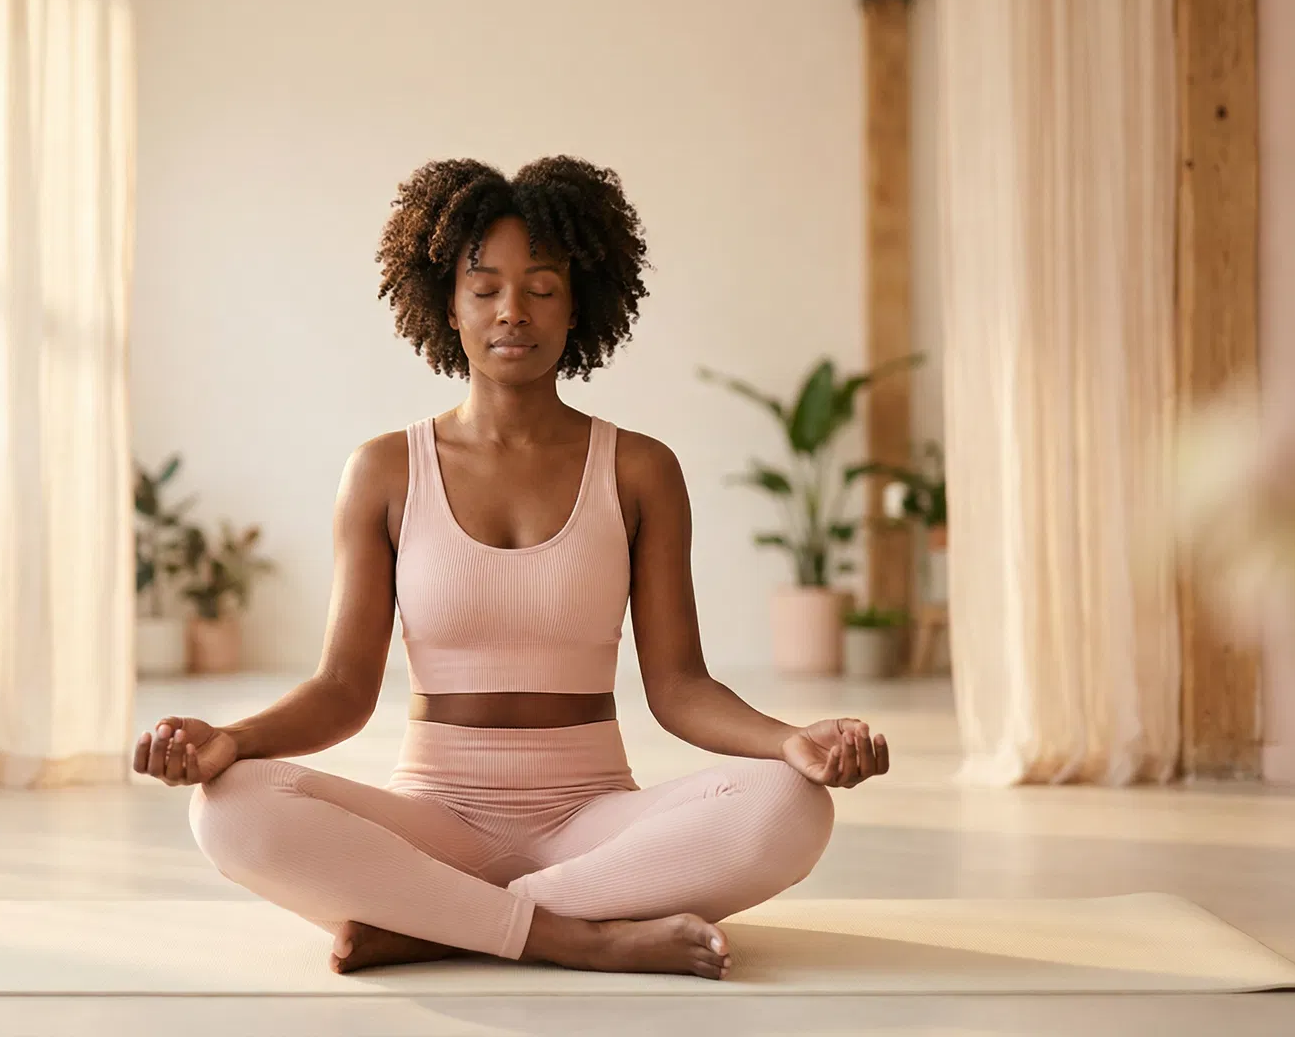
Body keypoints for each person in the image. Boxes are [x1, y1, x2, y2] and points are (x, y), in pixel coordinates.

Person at [134, 156, 891, 979]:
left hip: (592, 822)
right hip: (433, 824)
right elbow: (342, 690)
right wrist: (231, 741)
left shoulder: (639, 469)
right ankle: (575, 935)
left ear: (578, 304)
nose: (512, 312)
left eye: (542, 287)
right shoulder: (385, 470)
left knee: (790, 806)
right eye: (484, 287)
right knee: (230, 808)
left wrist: (791, 741)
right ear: (447, 304)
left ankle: (436, 923)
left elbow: (680, 688)